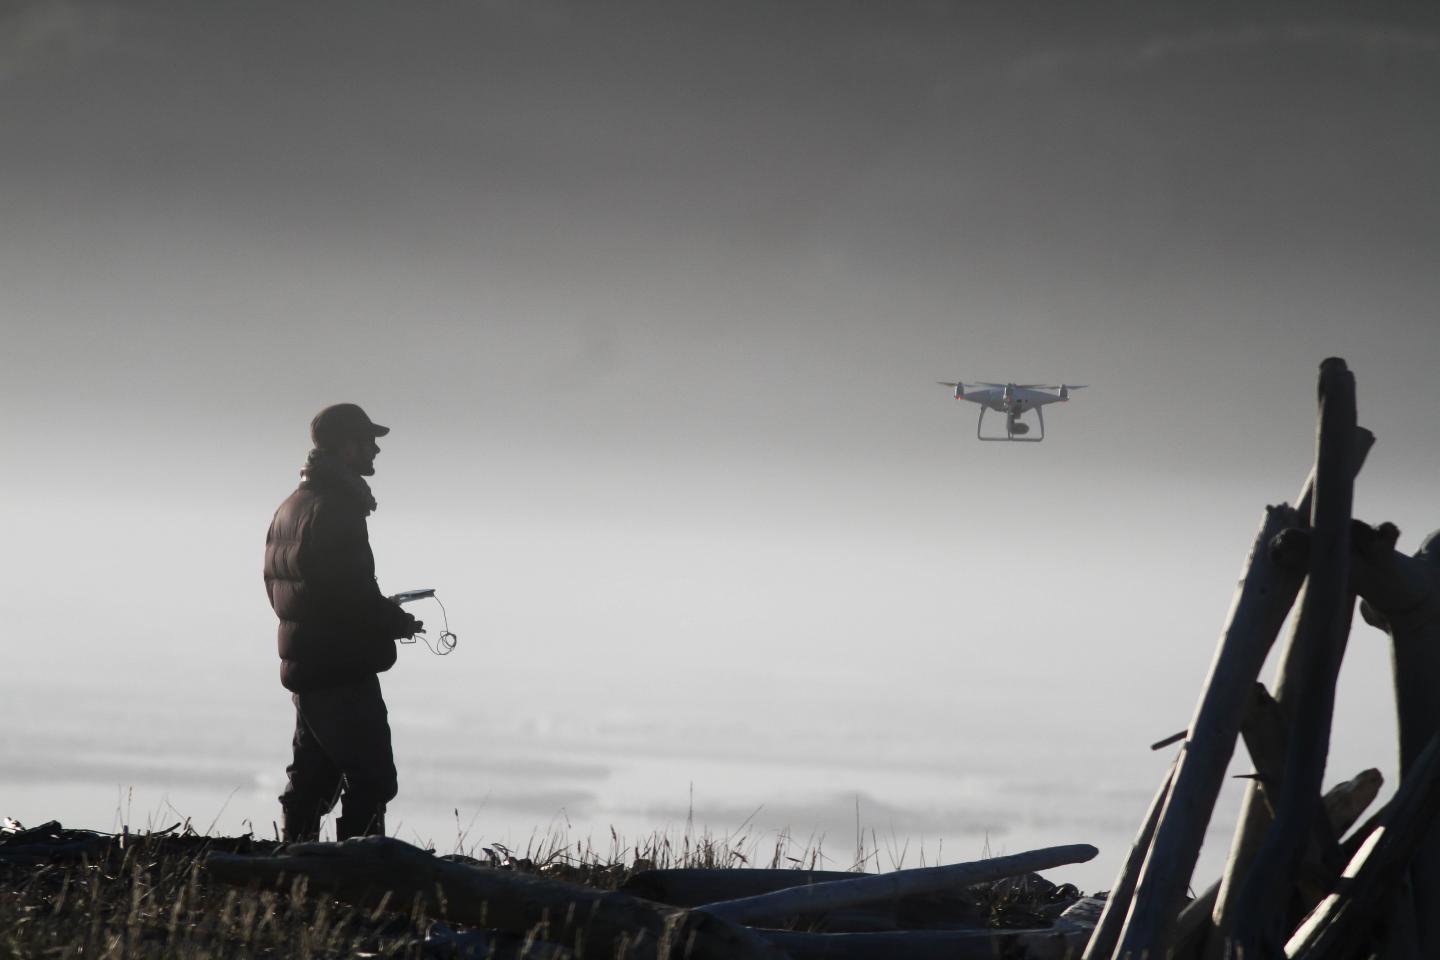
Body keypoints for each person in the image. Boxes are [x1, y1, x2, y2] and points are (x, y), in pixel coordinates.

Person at [263, 403, 422, 842]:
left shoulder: (292, 506)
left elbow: (291, 588)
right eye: (369, 441)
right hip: (341, 668)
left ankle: (295, 867)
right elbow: (348, 590)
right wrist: (393, 619)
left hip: (308, 663)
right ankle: (361, 871)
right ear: (347, 446)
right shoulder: (335, 508)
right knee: (372, 779)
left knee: (311, 783)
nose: (375, 450)